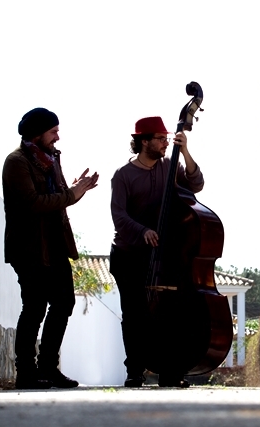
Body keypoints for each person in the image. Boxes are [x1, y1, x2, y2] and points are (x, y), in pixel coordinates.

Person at [2, 107, 99, 390]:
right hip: (29, 247)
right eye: (53, 131)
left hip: (55, 245)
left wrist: (77, 190)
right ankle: (26, 372)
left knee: (64, 303)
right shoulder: (16, 162)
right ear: (37, 133)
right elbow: (33, 203)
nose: (58, 136)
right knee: (34, 308)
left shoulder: (52, 159)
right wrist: (71, 194)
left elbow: (60, 197)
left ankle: (47, 368)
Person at [109, 116, 203, 388]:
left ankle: (170, 372)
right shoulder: (123, 175)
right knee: (134, 314)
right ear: (144, 141)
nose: (166, 143)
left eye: (166, 138)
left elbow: (196, 184)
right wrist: (142, 231)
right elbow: (119, 215)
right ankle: (135, 371)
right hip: (129, 254)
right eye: (160, 139)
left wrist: (185, 151)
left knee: (170, 312)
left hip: (163, 254)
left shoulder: (169, 166)